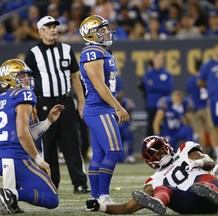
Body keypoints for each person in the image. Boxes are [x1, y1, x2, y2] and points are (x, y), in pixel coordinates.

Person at [24, 15, 89, 194]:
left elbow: (75, 76)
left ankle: (80, 183)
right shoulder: (33, 53)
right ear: (41, 31)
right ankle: (51, 183)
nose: (53, 29)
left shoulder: (66, 49)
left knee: (72, 144)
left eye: (54, 26)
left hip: (66, 100)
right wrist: (30, 106)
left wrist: (81, 101)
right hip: (44, 101)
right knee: (49, 145)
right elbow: (26, 81)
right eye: (48, 26)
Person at [86, 136, 218, 214]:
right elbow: (127, 208)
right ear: (151, 161)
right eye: (157, 154)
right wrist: (100, 207)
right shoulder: (155, 180)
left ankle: (211, 194)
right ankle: (159, 202)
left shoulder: (185, 151)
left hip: (215, 191)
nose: (162, 154)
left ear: (167, 145)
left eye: (162, 150)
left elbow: (209, 162)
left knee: (202, 181)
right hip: (190, 203)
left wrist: (198, 163)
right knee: (162, 189)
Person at [0, 59, 64, 213]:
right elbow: (22, 134)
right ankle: (11, 193)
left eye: (26, 76)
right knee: (51, 198)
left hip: (3, 156)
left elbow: (21, 133)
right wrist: (40, 160)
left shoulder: (3, 98)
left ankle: (10, 197)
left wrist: (48, 122)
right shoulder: (23, 94)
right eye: (21, 76)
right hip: (14, 157)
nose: (26, 79)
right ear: (9, 78)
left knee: (10, 205)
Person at [79, 15, 130, 204]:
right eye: (101, 30)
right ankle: (103, 195)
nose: (107, 32)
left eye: (106, 29)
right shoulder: (93, 51)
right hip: (99, 108)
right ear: (91, 34)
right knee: (114, 150)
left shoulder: (101, 51)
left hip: (98, 108)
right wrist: (118, 107)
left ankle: (95, 198)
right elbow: (100, 86)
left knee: (100, 154)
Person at [197, 42, 218, 162]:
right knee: (215, 126)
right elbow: (200, 81)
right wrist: (210, 86)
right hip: (216, 99)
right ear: (215, 49)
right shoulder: (208, 64)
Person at [140, 50, 174, 137]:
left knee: (165, 128)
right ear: (153, 59)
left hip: (164, 105)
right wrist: (161, 85)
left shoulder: (167, 74)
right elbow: (148, 87)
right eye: (158, 58)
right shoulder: (148, 74)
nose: (160, 60)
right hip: (152, 104)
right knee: (151, 128)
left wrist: (154, 85)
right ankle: (148, 149)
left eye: (162, 58)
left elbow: (168, 88)